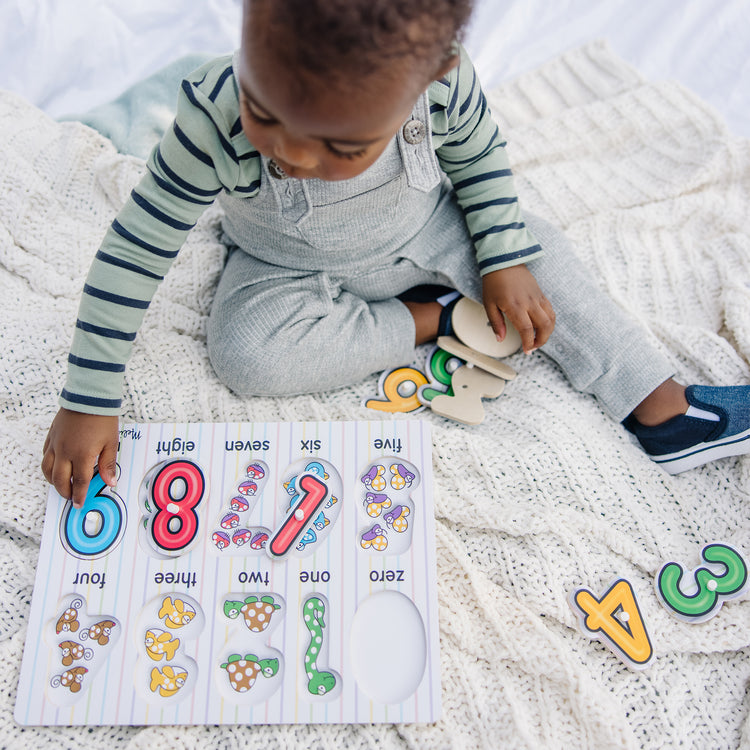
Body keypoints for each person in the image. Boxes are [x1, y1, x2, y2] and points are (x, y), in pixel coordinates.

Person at [42, 0, 749, 507]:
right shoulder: (210, 118)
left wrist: (502, 258)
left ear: (432, 74)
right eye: (265, 111)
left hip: (432, 226)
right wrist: (88, 399)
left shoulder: (444, 83)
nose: (288, 153)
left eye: (342, 146)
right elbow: (134, 251)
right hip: (284, 262)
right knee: (244, 355)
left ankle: (659, 403)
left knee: (544, 256)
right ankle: (429, 317)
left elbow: (479, 163)